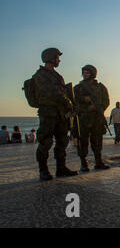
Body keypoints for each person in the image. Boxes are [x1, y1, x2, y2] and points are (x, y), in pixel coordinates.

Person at [33, 48, 78, 181]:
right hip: (48, 113)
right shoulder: (40, 75)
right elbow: (52, 92)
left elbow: (63, 92)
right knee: (45, 142)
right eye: (57, 57)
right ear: (51, 58)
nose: (59, 60)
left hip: (61, 114)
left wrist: (71, 104)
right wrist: (67, 101)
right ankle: (43, 170)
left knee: (62, 141)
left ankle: (61, 168)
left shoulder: (57, 76)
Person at [74, 65, 110, 172]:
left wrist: (99, 107)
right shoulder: (78, 88)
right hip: (83, 118)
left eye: (87, 73)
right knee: (83, 141)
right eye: (84, 72)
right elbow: (73, 101)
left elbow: (106, 101)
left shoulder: (101, 87)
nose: (85, 74)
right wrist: (84, 100)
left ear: (93, 74)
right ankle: (83, 164)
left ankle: (98, 162)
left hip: (96, 118)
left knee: (97, 141)